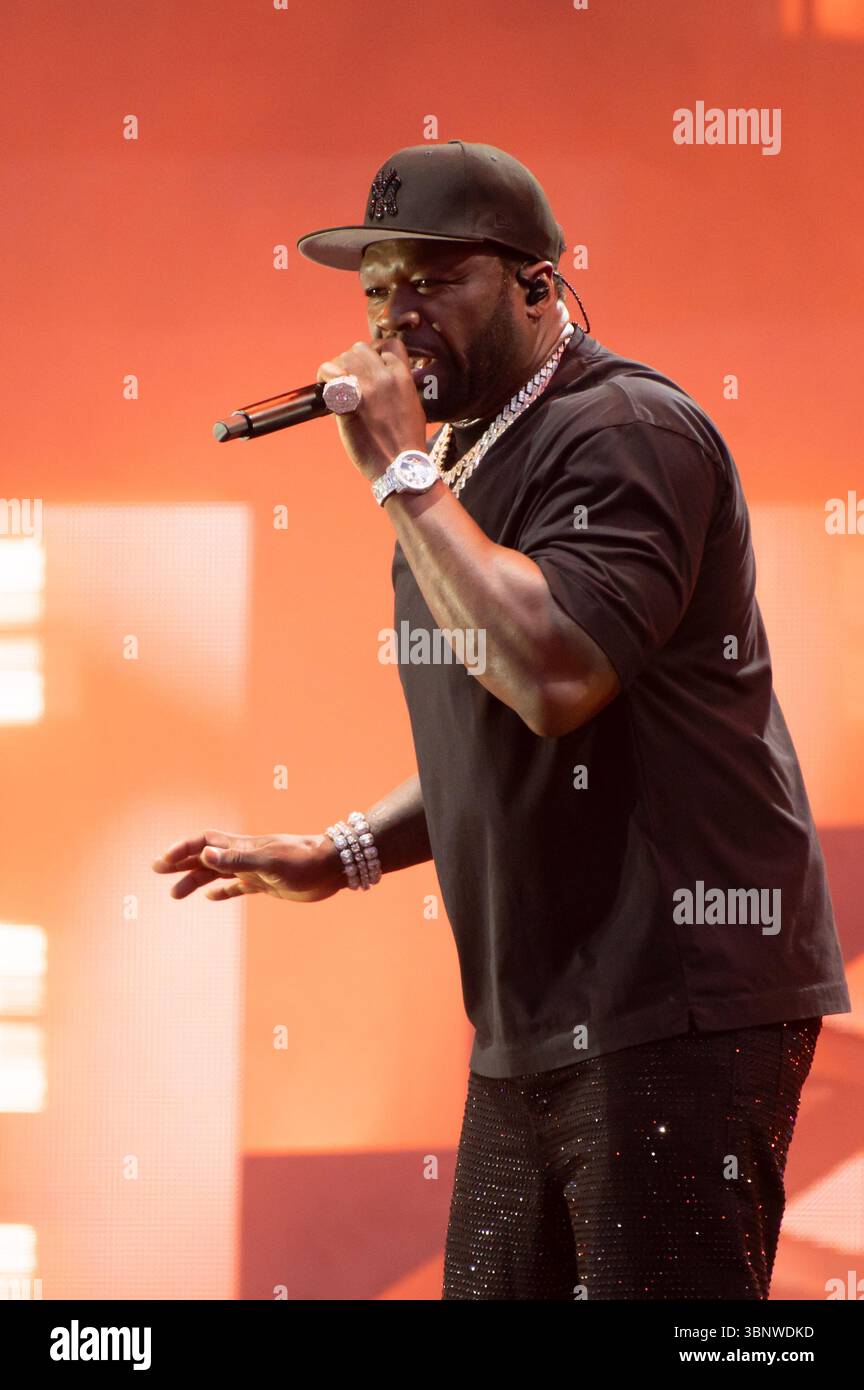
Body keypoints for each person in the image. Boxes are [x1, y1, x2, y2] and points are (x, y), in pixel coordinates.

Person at [152, 140, 851, 1300]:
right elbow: (510, 744)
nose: (394, 314)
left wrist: (400, 475)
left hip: (679, 1002)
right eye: (377, 287)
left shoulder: (627, 432)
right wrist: (345, 851)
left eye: (432, 279)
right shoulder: (461, 466)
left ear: (538, 285)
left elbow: (556, 676)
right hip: (539, 1021)